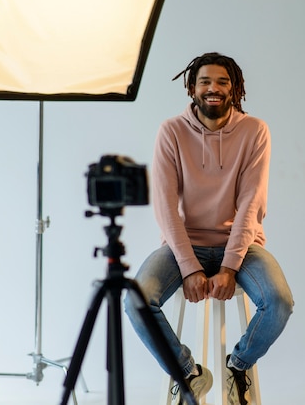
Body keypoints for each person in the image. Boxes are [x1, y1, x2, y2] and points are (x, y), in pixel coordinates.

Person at [124, 52, 294, 405]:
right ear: (191, 87)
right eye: (205, 81)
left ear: (234, 89)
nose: (213, 89)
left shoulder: (254, 131)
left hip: (243, 247)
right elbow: (166, 208)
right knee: (136, 300)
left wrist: (229, 266)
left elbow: (251, 204)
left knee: (279, 302)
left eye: (222, 82)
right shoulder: (171, 131)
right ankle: (188, 372)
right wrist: (189, 268)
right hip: (183, 244)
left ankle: (237, 367)